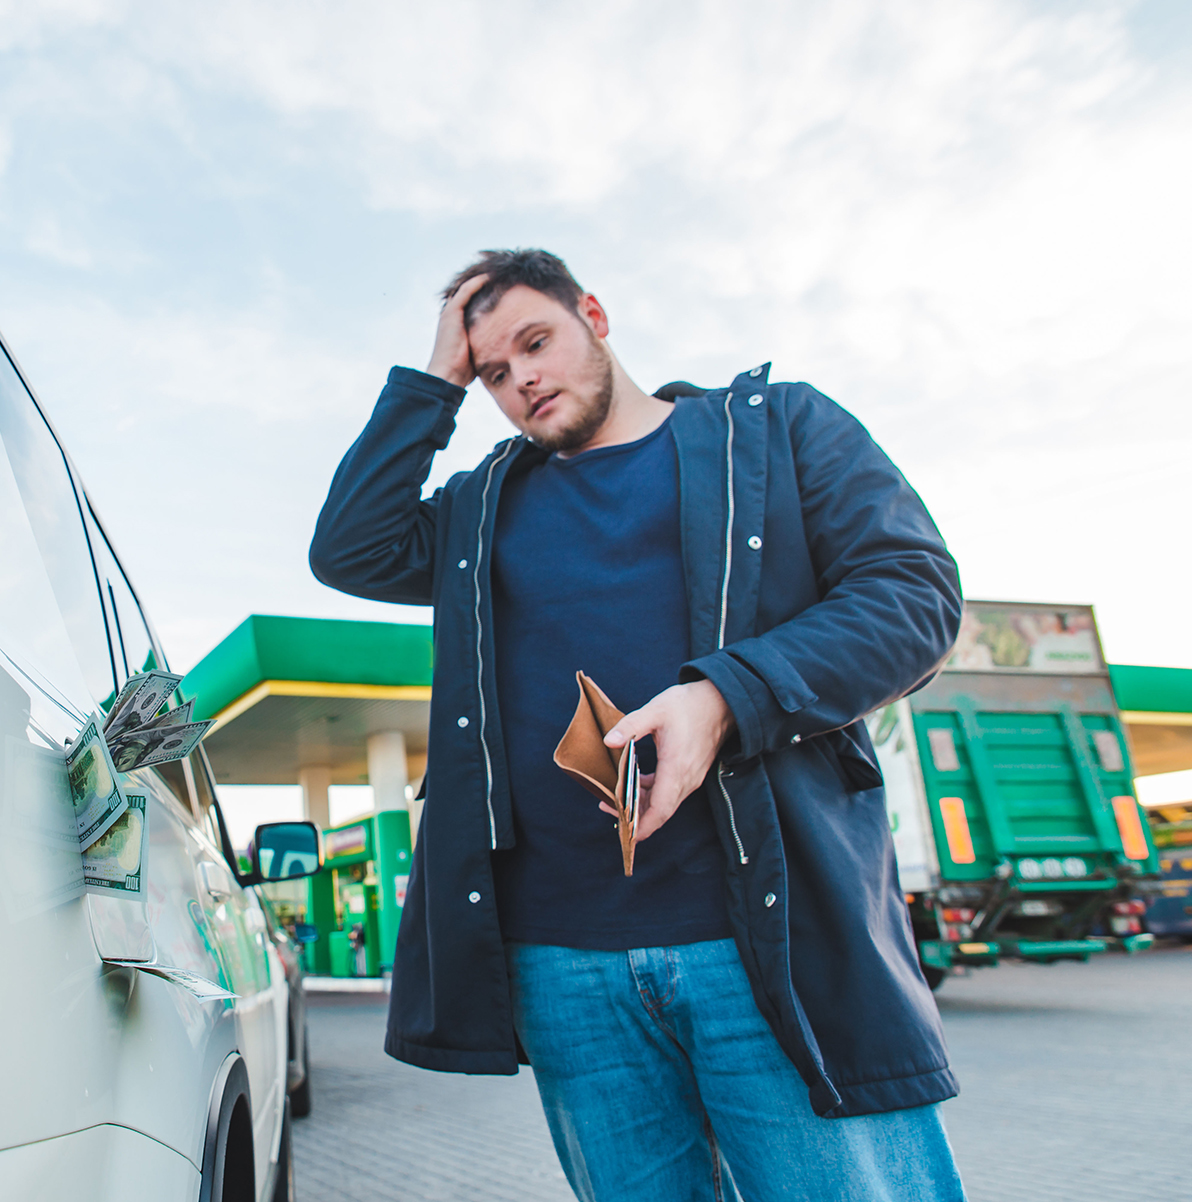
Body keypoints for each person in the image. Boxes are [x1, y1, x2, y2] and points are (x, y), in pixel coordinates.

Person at [309, 249, 967, 1202]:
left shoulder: (775, 434)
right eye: (493, 371)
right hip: (567, 971)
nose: (521, 378)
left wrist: (727, 696)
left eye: (536, 342)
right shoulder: (481, 510)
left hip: (770, 945)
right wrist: (433, 379)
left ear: (595, 314)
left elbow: (913, 595)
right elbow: (350, 549)